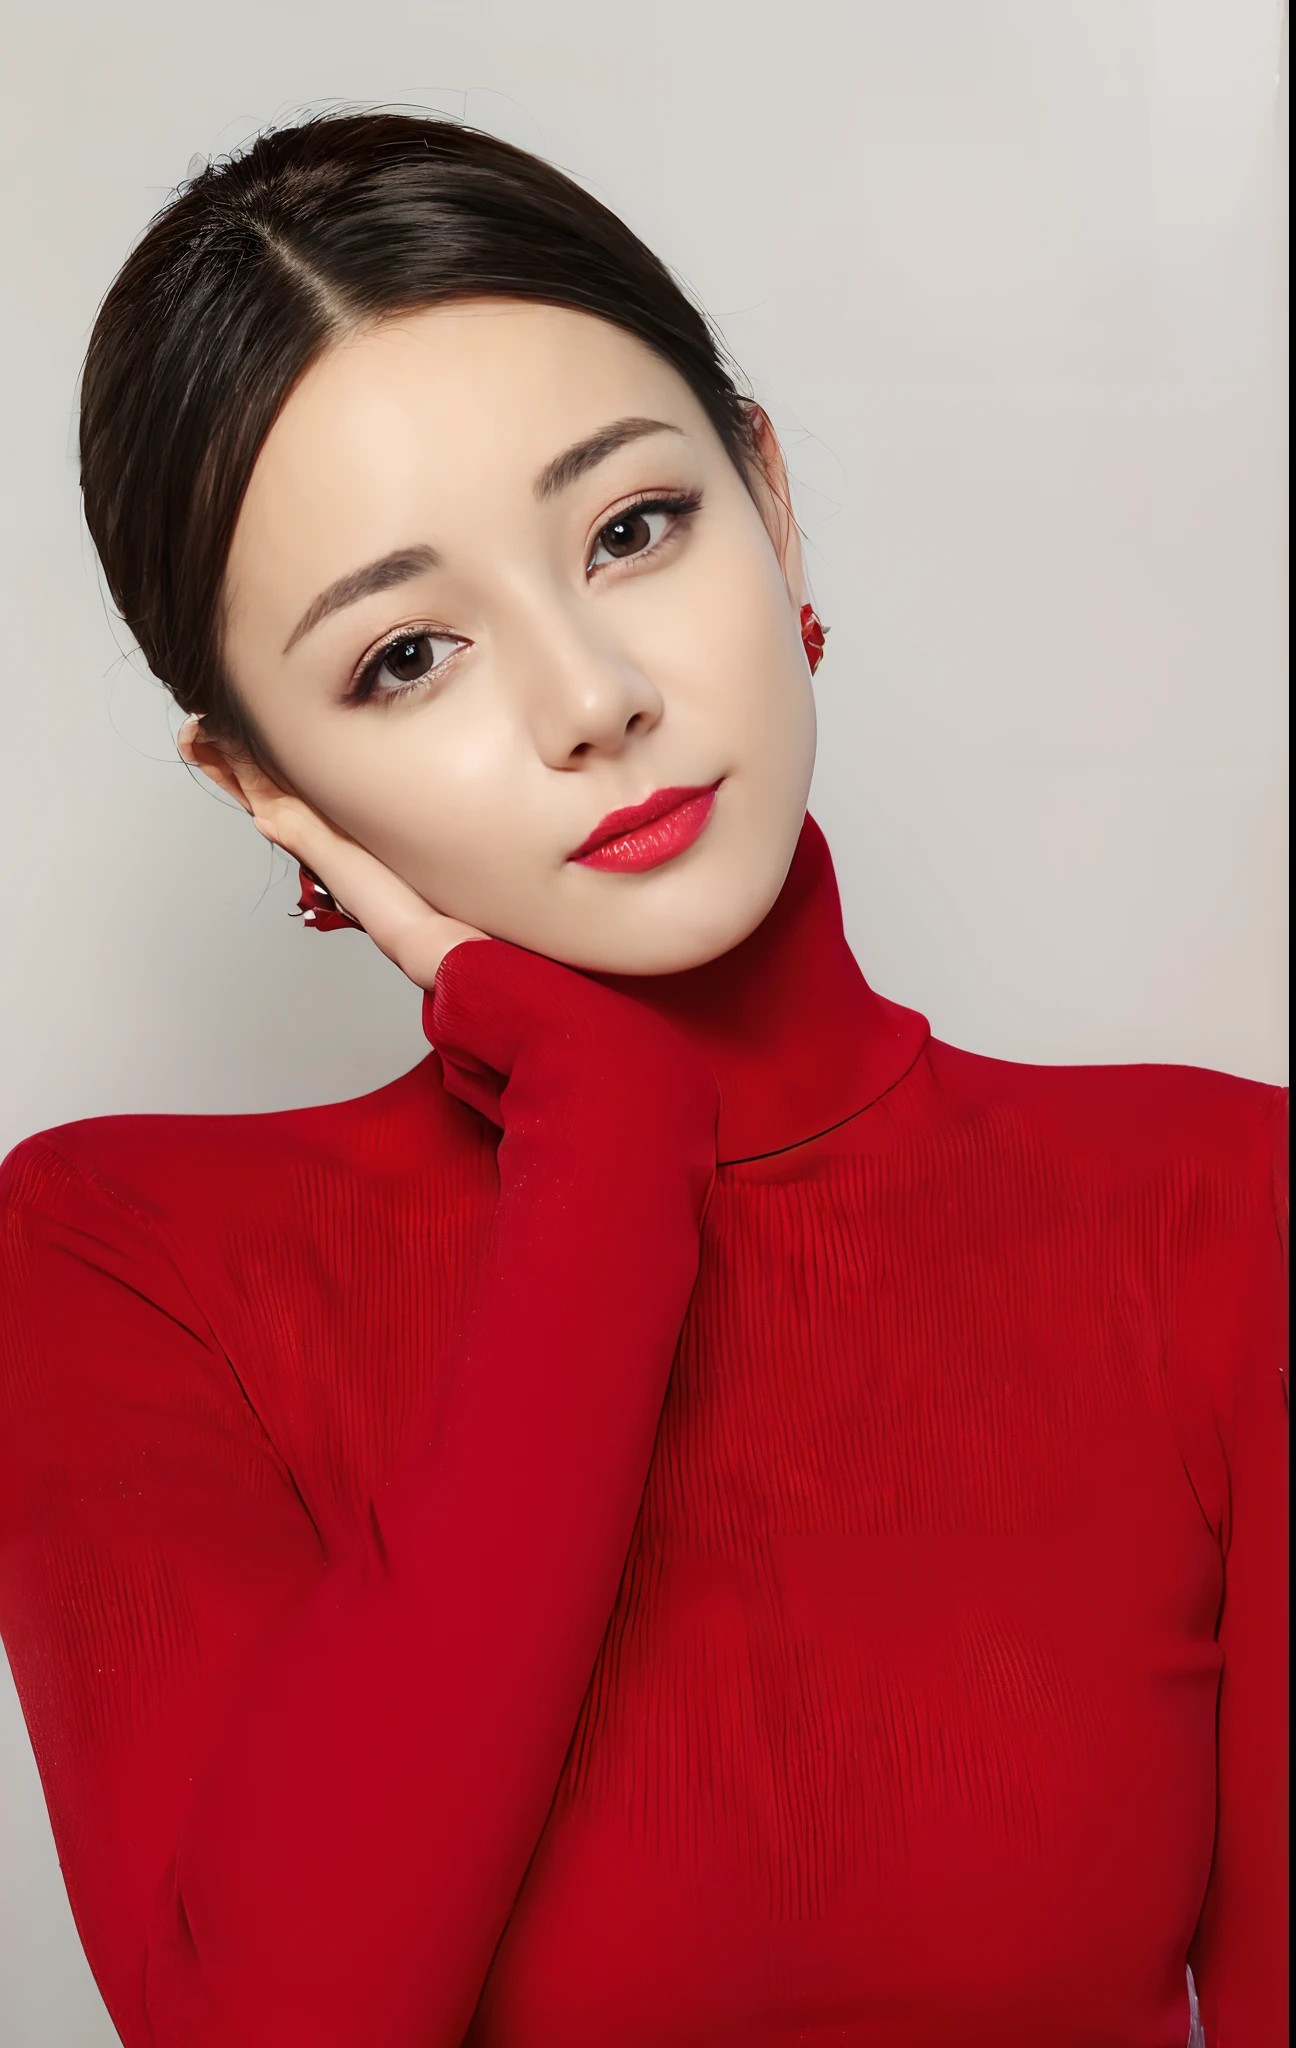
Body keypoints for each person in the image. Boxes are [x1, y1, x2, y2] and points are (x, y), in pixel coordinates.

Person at [0, 111, 1286, 2048]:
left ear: (770, 498)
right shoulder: (117, 1260)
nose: (592, 691)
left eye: (631, 527)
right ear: (266, 786)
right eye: (407, 652)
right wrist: (601, 1137)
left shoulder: (1219, 1208)